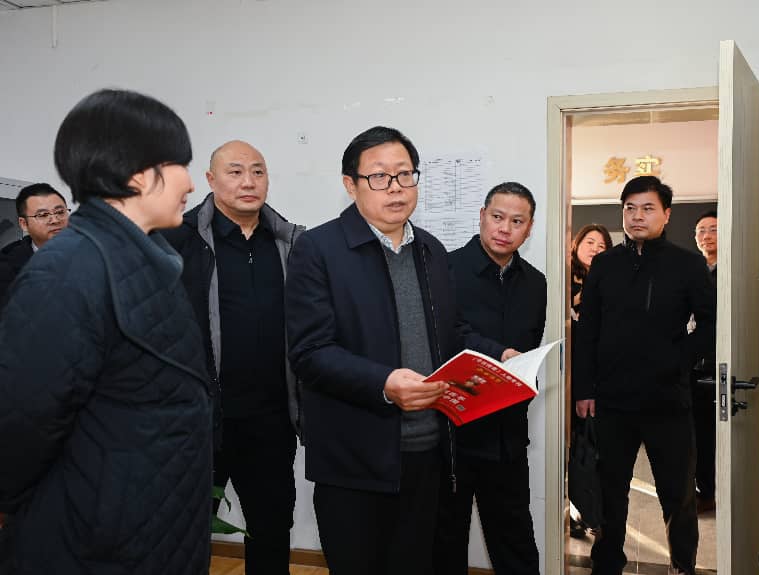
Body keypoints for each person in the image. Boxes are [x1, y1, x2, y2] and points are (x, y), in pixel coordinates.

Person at [284, 126, 514, 575]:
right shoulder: (318, 249)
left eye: (405, 174)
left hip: (428, 453)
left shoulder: (430, 249)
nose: (395, 187)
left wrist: (499, 355)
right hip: (354, 459)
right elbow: (310, 352)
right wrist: (384, 384)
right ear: (350, 184)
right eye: (379, 176)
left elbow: (451, 331)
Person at [0, 88, 212, 574]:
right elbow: (23, 420)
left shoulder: (144, 258)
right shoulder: (68, 270)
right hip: (98, 540)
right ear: (137, 174)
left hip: (148, 528)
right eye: (179, 165)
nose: (188, 181)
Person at [162, 140, 304, 575]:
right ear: (210, 179)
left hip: (272, 422)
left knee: (272, 527)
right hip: (198, 423)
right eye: (236, 171)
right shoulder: (175, 241)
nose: (249, 182)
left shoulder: (292, 243)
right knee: (181, 535)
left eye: (258, 171)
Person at [573, 176, 715, 575]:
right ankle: (607, 565)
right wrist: (584, 388)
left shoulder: (687, 264)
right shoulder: (604, 265)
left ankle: (682, 566)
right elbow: (588, 330)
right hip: (612, 400)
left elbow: (710, 324)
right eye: (630, 208)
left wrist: (677, 359)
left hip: (668, 400)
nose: (637, 216)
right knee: (610, 493)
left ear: (666, 215)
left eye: (647, 208)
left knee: (678, 495)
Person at [433, 182, 546, 575]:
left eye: (517, 221)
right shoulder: (444, 269)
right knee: (445, 543)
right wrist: (499, 354)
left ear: (529, 229)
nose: (505, 228)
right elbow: (447, 334)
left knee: (516, 543)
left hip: (507, 437)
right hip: (452, 435)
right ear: (482, 216)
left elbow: (530, 346)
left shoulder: (536, 282)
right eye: (498, 217)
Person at [568, 223, 613, 539]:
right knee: (570, 447)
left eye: (602, 245)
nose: (595, 248)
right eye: (590, 242)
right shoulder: (563, 280)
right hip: (566, 375)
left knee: (591, 448)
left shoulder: (610, 282)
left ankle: (591, 512)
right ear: (577, 245)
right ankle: (576, 510)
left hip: (597, 375)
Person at [0, 183, 69, 310]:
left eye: (60, 212)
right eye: (43, 215)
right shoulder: (6, 269)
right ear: (24, 224)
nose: (55, 220)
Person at [691, 210, 718, 514]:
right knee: (697, 431)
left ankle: (710, 490)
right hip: (694, 362)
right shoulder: (693, 269)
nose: (707, 236)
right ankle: (702, 489)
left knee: (713, 433)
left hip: (719, 362)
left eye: (713, 229)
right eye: (701, 231)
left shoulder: (729, 270)